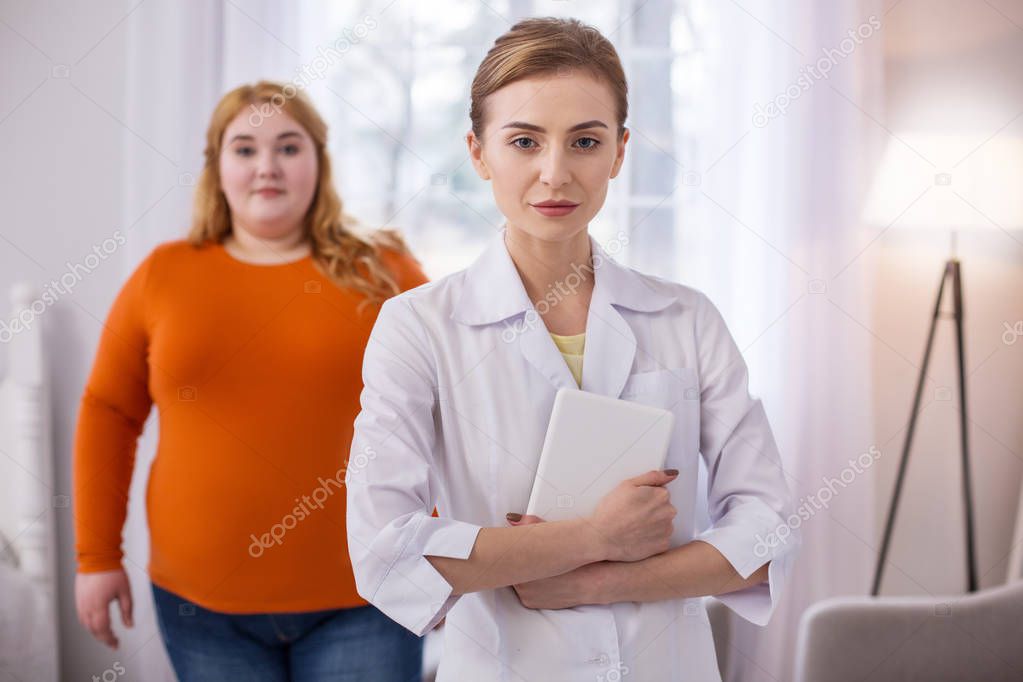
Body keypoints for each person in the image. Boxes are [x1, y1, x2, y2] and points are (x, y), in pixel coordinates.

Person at [345, 17, 800, 682]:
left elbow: (767, 536)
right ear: (478, 153)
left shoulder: (687, 319)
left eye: (583, 141)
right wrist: (594, 539)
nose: (553, 173)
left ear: (617, 153)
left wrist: (591, 581)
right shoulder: (418, 327)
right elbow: (384, 552)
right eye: (524, 141)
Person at [73, 81, 426, 681]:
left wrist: (443, 551)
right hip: (201, 605)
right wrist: (96, 557)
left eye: (289, 147)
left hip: (369, 596)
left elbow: (443, 410)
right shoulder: (163, 274)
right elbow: (109, 412)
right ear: (218, 165)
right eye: (245, 148)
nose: (267, 166)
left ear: (319, 161)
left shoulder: (385, 269)